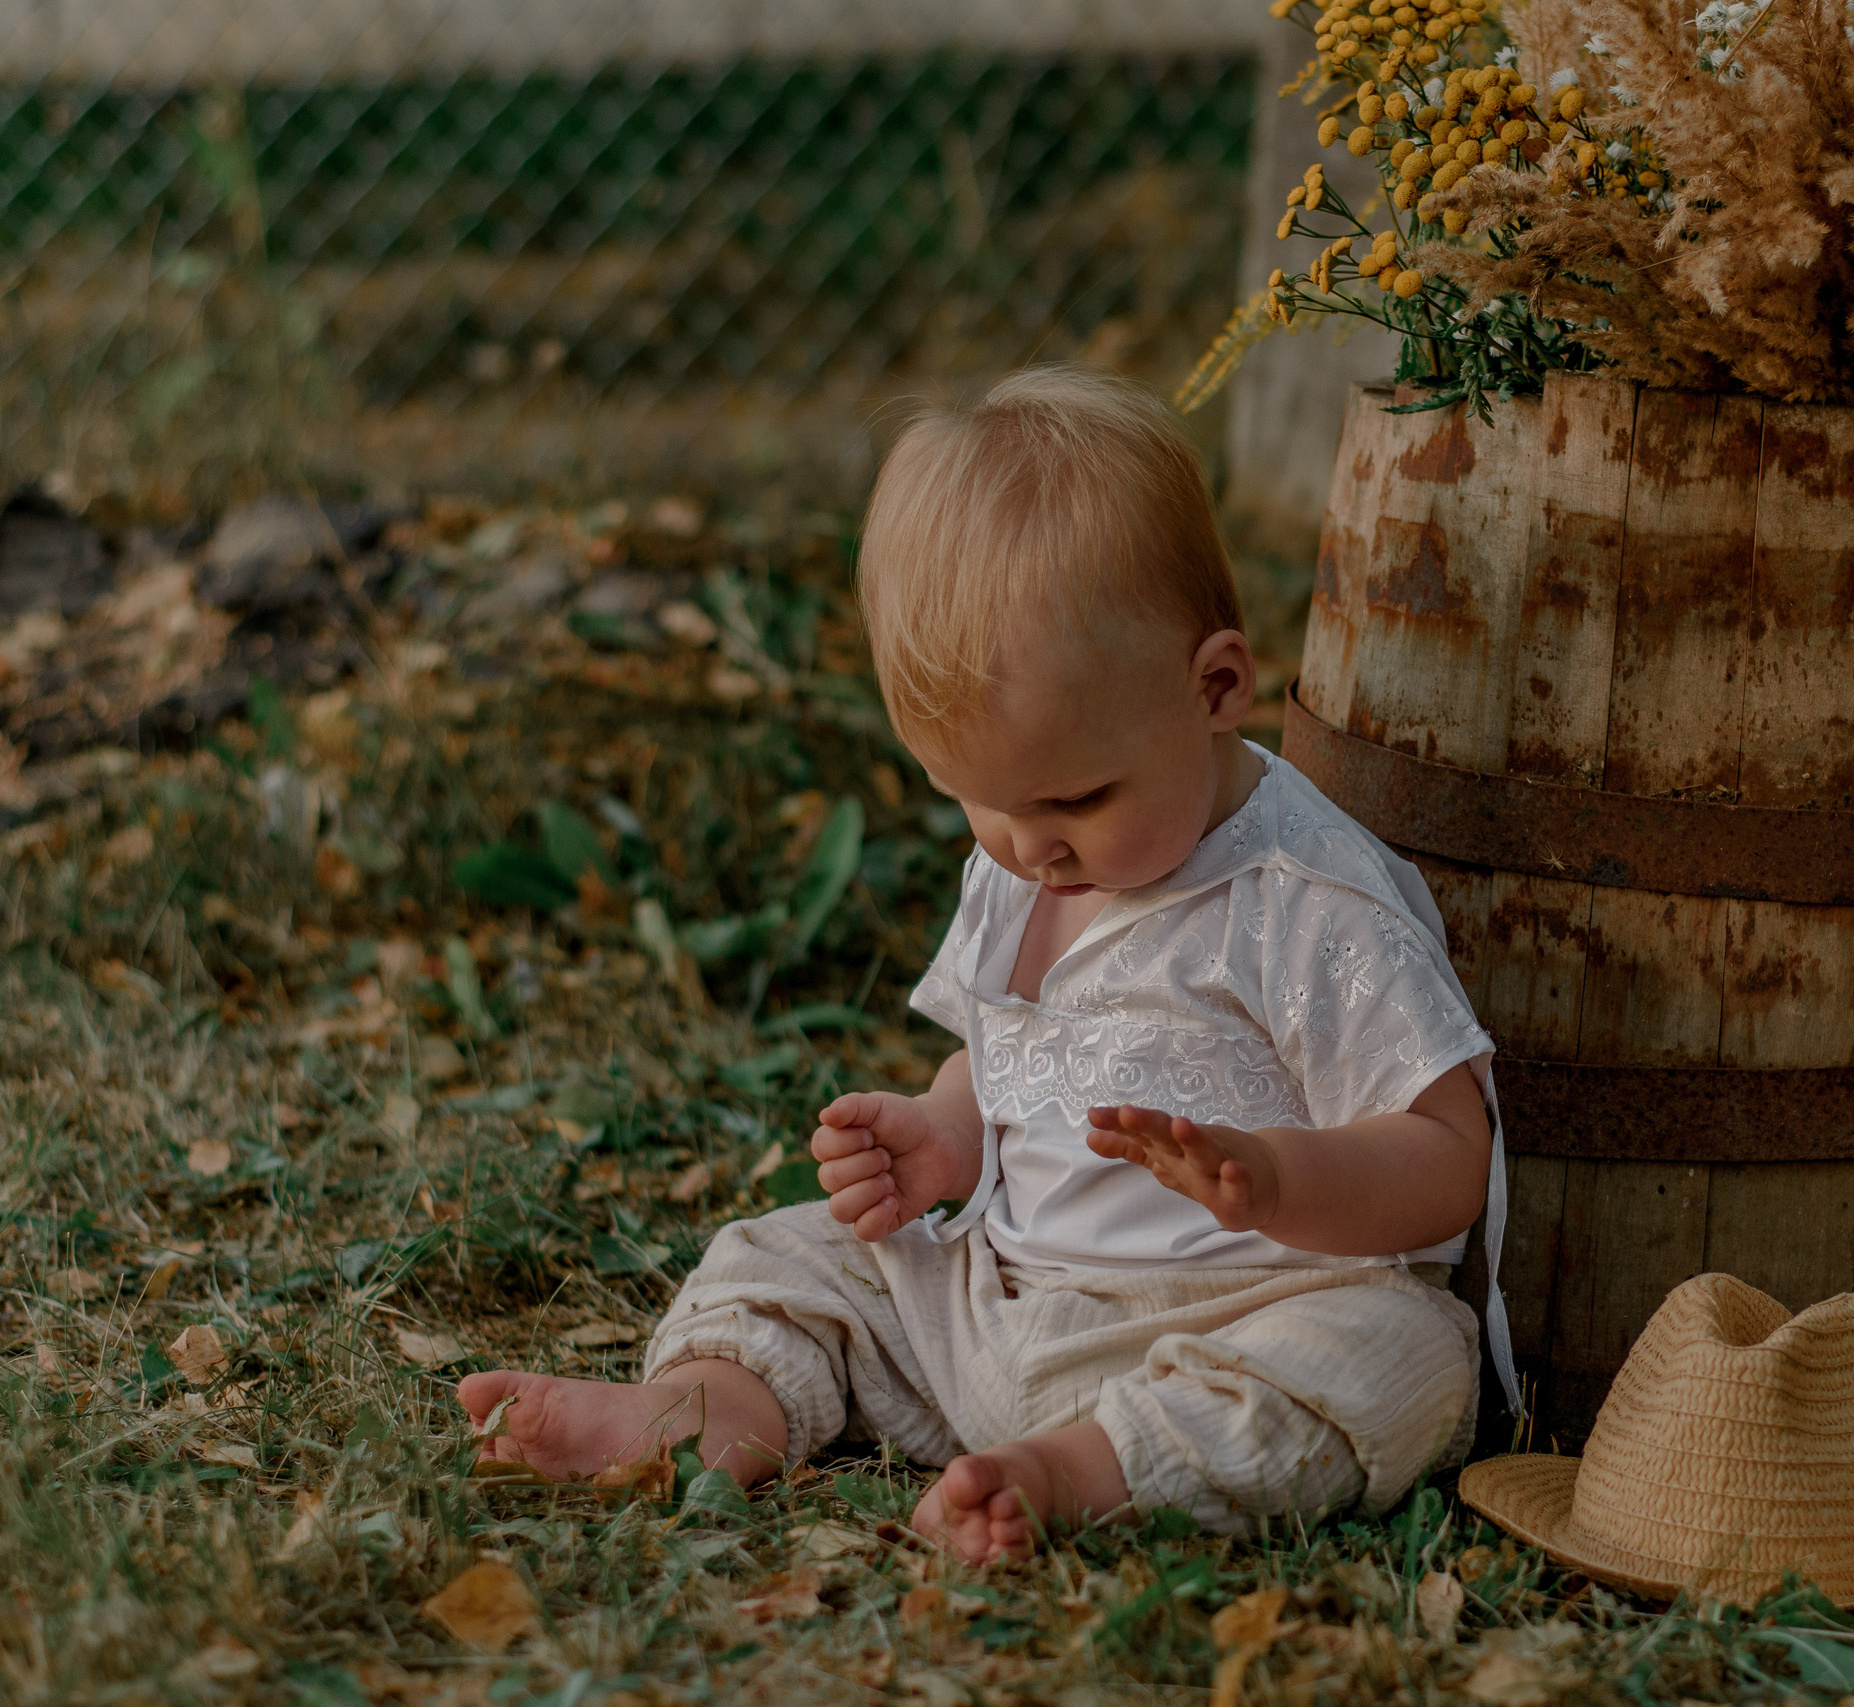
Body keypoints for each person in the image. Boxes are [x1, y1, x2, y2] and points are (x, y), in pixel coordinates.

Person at [458, 366, 1507, 1561]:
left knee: (1400, 1361)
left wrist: (1275, 1180)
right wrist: (944, 1132)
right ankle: (699, 1415)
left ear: (1214, 685)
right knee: (785, 1257)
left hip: (1241, 1316)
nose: (1028, 846)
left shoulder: (1302, 903)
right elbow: (1008, 1055)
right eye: (979, 802)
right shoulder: (1023, 861)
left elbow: (1446, 1159)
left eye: (1072, 798)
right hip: (998, 1305)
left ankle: (1074, 1474)